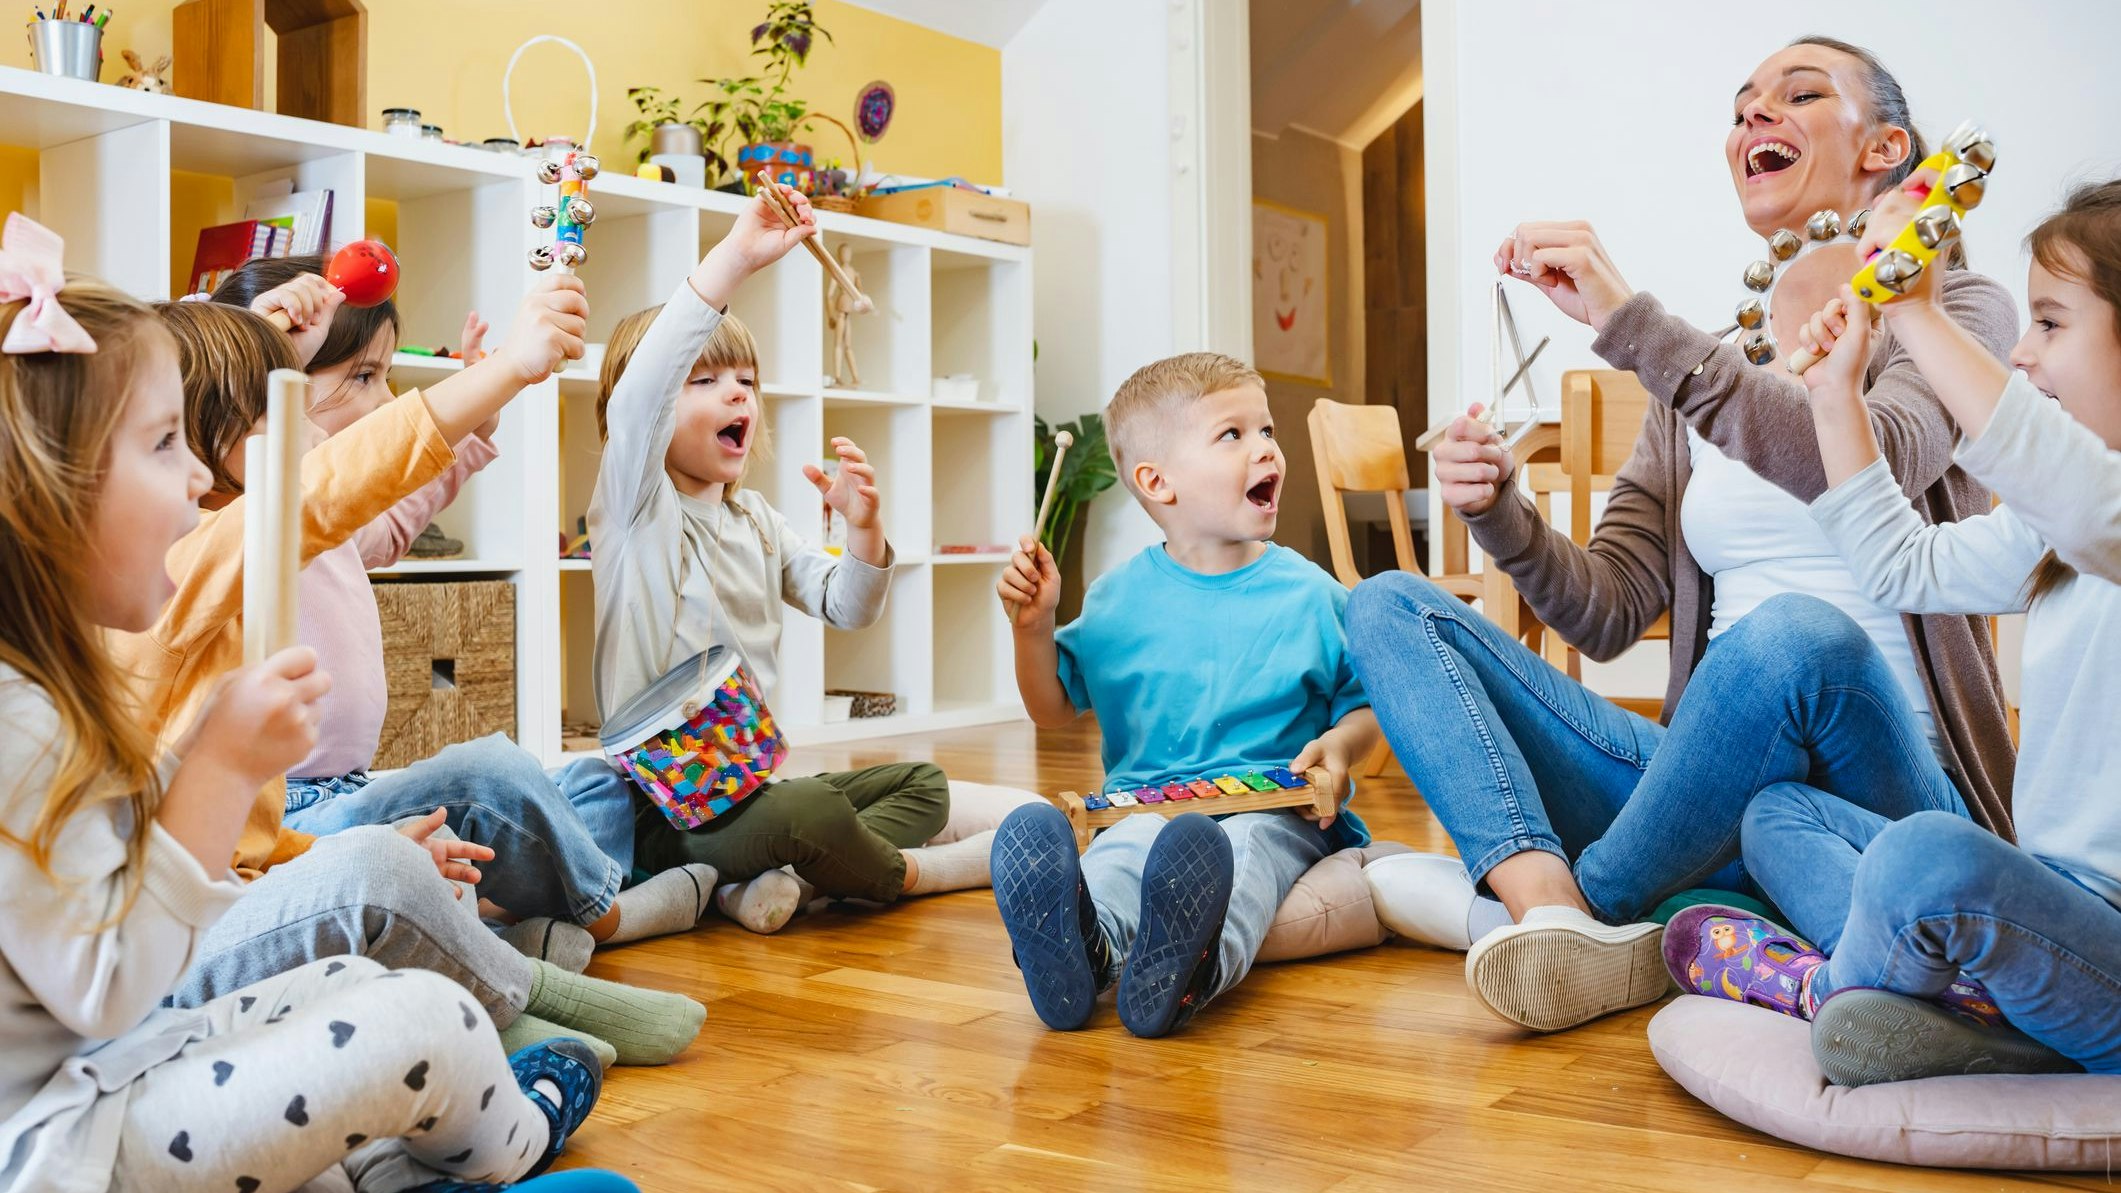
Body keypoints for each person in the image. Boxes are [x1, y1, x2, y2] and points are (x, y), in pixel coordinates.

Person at [1348, 36, 2018, 1032]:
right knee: (1389, 605)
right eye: (1742, 104)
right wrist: (1500, 509)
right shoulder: (1697, 373)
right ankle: (1552, 912)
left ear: (1885, 147)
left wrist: (1628, 320)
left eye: (1797, 94)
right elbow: (1607, 610)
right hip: (1702, 791)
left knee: (1796, 636)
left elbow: (1875, 461)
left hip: (1887, 793)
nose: (1755, 116)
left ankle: (1600, 905)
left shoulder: (1952, 311)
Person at [1665, 177, 2121, 1086]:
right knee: (1777, 811)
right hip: (2046, 912)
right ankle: (1973, 1012)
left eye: (2050, 324)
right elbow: (1902, 566)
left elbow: (2066, 480)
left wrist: (1916, 309)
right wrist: (1836, 396)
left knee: (1925, 854)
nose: (2022, 355)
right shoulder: (2055, 531)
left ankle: (1828, 986)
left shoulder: (2087, 510)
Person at [989, 353, 1381, 1037]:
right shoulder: (1114, 600)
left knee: (1246, 856)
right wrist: (1033, 627)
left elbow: (1366, 700)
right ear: (1156, 482)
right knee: (1117, 856)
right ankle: (1090, 951)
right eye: (1232, 435)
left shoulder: (1313, 594)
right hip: (1146, 806)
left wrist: (1341, 746)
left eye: (1265, 430)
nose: (1264, 447)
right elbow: (1051, 707)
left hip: (1280, 810)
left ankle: (1193, 970)